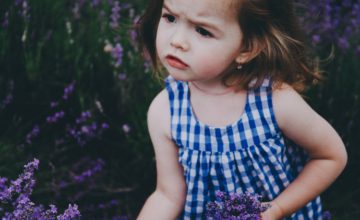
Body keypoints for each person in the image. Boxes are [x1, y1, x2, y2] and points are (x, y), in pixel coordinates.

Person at [136, 0, 347, 219]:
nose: (177, 41)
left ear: (246, 48)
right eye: (170, 18)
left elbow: (330, 156)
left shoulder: (274, 101)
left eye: (203, 31)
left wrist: (278, 209)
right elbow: (168, 195)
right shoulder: (166, 111)